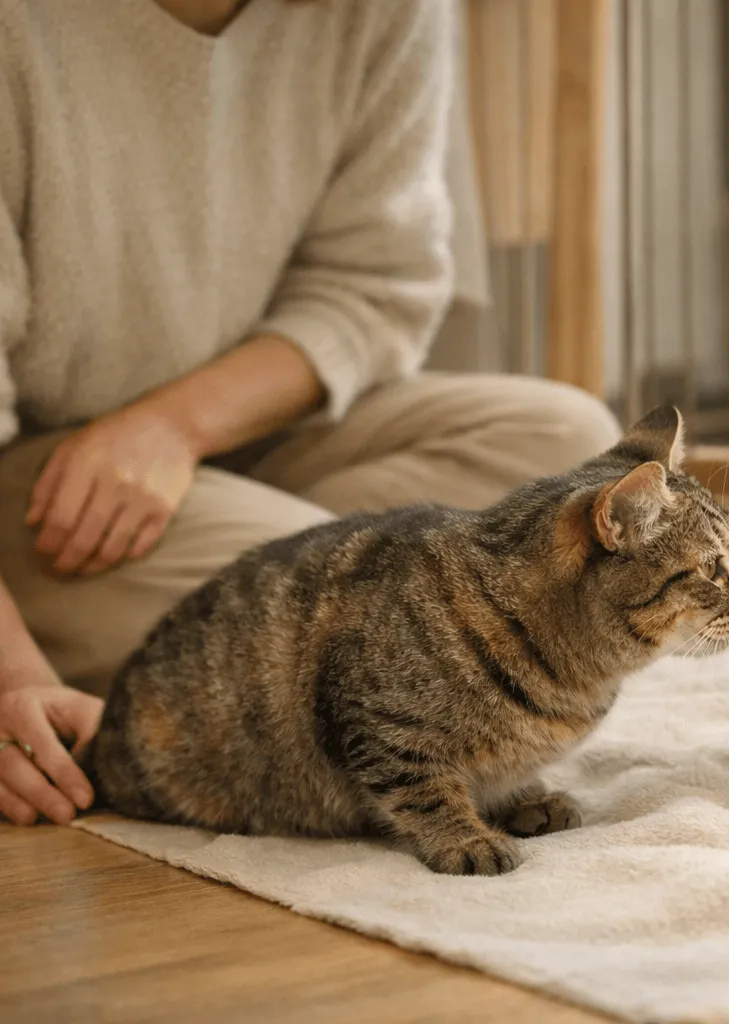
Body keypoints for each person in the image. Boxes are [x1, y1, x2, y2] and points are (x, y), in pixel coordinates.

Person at [0, 0, 622, 827]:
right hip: (45, 484)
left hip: (247, 433)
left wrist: (176, 425)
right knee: (323, 622)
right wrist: (12, 680)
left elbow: (371, 285)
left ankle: (366, 669)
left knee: (571, 447)